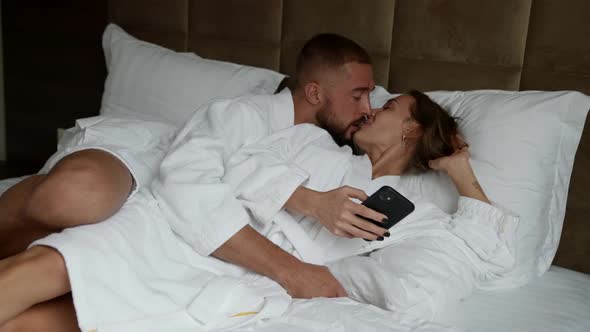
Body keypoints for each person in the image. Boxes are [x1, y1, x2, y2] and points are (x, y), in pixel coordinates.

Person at [0, 90, 516, 331]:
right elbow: (229, 160)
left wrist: (461, 173)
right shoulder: (311, 144)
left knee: (45, 324)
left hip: (241, 271)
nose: (371, 109)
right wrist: (307, 198)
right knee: (44, 267)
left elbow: (481, 256)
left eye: (387, 108)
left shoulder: (412, 216)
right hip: (186, 225)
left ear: (409, 129)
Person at [0, 33, 389, 331]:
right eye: (358, 96)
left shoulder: (335, 156)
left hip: (213, 252)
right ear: (316, 92)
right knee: (75, 213)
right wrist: (292, 258)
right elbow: (187, 183)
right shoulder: (243, 115)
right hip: (157, 178)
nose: (367, 109)